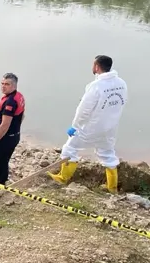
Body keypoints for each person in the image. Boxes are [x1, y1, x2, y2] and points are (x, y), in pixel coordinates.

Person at [48, 55, 128, 193]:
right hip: (110, 128)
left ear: (96, 67)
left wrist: (75, 126)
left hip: (92, 128)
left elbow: (84, 110)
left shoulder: (96, 86)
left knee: (70, 149)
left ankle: (62, 178)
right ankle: (112, 188)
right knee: (108, 154)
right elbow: (122, 103)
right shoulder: (121, 83)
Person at [0, 73, 25, 187]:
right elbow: (22, 115)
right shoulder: (19, 96)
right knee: (3, 161)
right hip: (14, 136)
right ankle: (1, 185)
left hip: (4, 138)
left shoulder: (10, 102)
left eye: (7, 84)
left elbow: (5, 125)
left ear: (14, 86)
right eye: (2, 83)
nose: (3, 86)